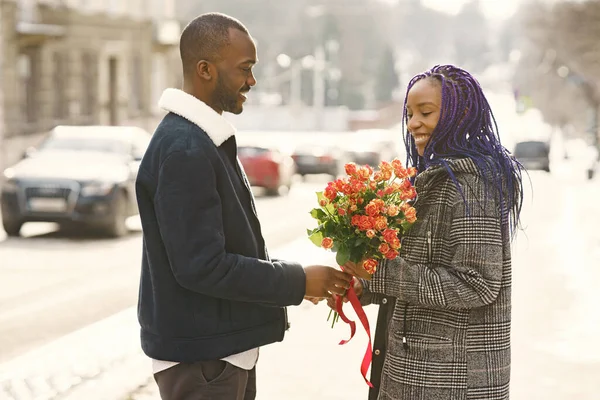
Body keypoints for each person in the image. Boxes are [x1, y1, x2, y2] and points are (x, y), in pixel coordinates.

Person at [135, 13, 352, 400]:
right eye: (244, 69)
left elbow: (226, 252)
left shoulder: (199, 138)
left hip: (214, 354)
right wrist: (299, 282)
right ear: (205, 69)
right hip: (203, 359)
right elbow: (203, 267)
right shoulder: (186, 148)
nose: (251, 81)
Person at [338, 65, 524, 400]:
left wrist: (379, 272)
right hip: (416, 374)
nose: (413, 124)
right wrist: (360, 285)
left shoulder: (472, 185)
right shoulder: (434, 178)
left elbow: (476, 284)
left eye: (426, 112)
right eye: (409, 114)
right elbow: (420, 270)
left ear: (460, 114)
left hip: (450, 381)